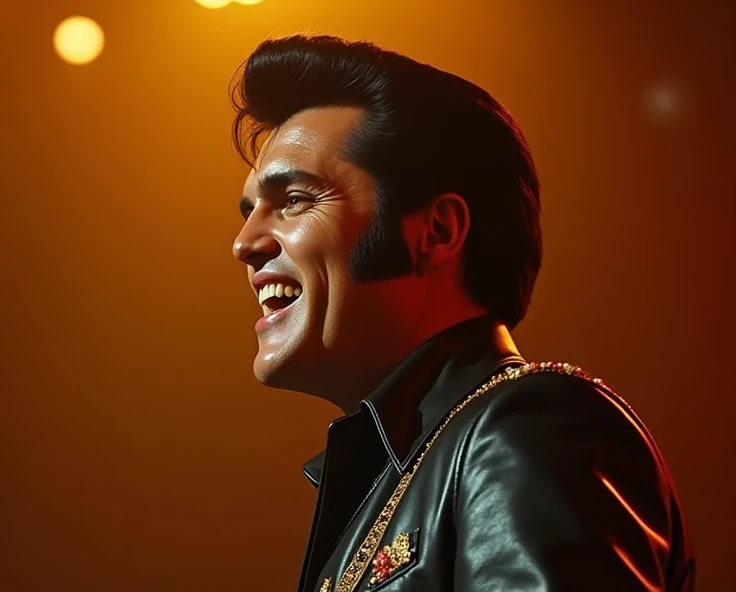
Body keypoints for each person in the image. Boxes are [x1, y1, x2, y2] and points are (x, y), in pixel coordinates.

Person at [230, 34, 695, 592]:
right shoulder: (406, 475)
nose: (244, 242)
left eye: (295, 200)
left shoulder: (528, 427)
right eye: (250, 210)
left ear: (438, 232)